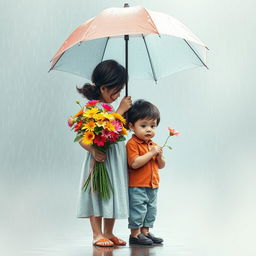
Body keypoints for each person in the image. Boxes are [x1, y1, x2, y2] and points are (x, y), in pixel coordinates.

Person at [76, 60, 132, 247]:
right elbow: (84, 138)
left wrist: (126, 117)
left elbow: (117, 130)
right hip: (100, 159)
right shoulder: (92, 108)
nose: (117, 95)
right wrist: (93, 150)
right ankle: (97, 234)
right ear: (103, 88)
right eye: (115, 90)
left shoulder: (112, 108)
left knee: (113, 191)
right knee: (97, 193)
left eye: (120, 90)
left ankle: (109, 232)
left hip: (115, 158)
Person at [126, 99, 165, 245]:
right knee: (138, 209)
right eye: (143, 126)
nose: (149, 129)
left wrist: (159, 156)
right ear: (131, 126)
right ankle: (135, 235)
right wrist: (150, 154)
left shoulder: (153, 145)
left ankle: (145, 232)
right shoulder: (132, 144)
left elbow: (161, 166)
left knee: (150, 210)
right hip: (137, 185)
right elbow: (134, 163)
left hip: (153, 185)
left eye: (153, 126)